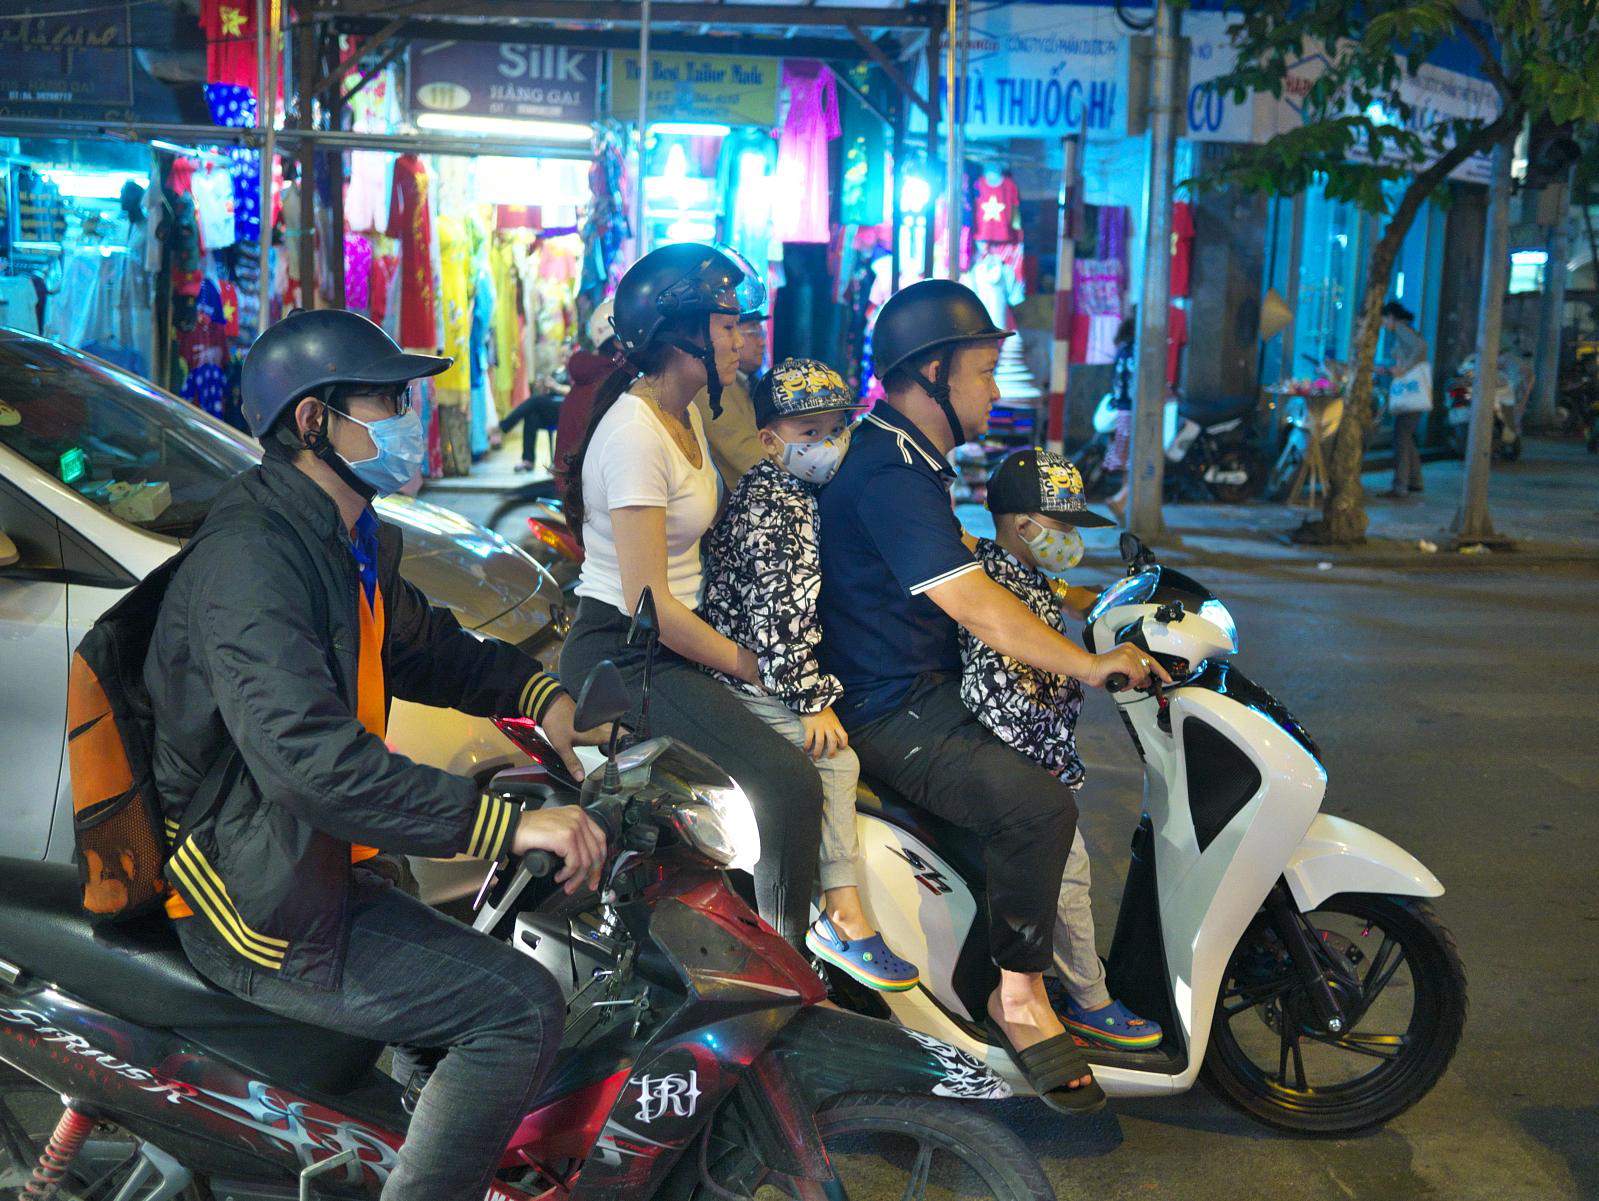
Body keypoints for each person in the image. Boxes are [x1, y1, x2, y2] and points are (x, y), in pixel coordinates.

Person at [144, 308, 611, 1201]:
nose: (409, 417)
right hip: (249, 890)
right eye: (389, 400)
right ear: (313, 420)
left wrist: (543, 698)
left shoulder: (341, 534)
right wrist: (505, 826)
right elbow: (309, 762)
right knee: (517, 1006)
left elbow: (426, 645)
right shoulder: (253, 559)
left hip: (313, 858)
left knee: (475, 979)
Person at [817, 279, 1167, 1114]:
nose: (993, 392)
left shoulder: (908, 459)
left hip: (915, 685)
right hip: (888, 706)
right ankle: (1021, 996)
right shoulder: (890, 471)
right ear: (931, 373)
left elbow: (974, 563)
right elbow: (972, 601)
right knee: (1039, 804)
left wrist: (1073, 601)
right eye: (981, 371)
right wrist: (1090, 665)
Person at [558, 244, 824, 950]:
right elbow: (654, 604)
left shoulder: (689, 414)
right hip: (627, 653)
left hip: (675, 641)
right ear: (680, 336)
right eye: (728, 326)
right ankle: (786, 968)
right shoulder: (635, 434)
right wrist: (757, 666)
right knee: (787, 782)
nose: (742, 340)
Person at [701, 358, 918, 992]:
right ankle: (841, 915)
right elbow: (781, 615)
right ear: (770, 441)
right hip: (754, 678)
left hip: (762, 663)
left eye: (836, 428)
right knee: (837, 763)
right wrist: (811, 702)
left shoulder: (786, 489)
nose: (828, 444)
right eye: (809, 432)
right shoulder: (780, 507)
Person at [962, 448, 1162, 1051]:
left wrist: (1083, 597)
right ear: (1022, 525)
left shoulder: (1017, 570)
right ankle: (1090, 1001)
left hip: (1039, 755)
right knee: (1068, 876)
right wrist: (1048, 769)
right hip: (1024, 762)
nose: (1072, 539)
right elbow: (1000, 692)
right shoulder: (997, 591)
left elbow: (1045, 582)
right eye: (1062, 525)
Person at [692, 308, 769, 487]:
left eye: (762, 333)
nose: (762, 343)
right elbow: (745, 453)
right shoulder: (710, 387)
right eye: (753, 333)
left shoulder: (746, 381)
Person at [552, 298, 620, 483]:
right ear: (618, 343)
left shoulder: (593, 375)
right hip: (584, 490)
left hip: (571, 485)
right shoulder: (613, 383)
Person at [1379, 300, 1429, 498]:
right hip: (1414, 392)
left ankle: (1400, 486)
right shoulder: (1406, 329)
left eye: (1384, 320)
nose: (1384, 325)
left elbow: (1421, 347)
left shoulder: (1401, 328)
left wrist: (1404, 369)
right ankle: (1414, 481)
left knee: (1400, 438)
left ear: (1391, 317)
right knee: (1405, 437)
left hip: (1411, 393)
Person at [1103, 314, 1136, 521]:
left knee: (1128, 463)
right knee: (1139, 460)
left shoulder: (1121, 352)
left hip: (1122, 412)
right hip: (1134, 412)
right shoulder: (1136, 352)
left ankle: (1123, 503)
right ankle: (1120, 498)